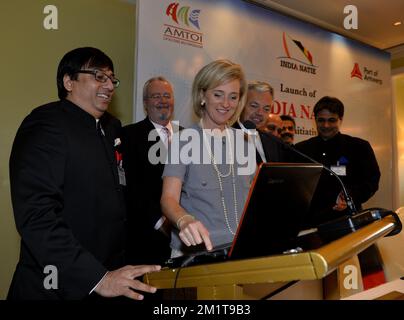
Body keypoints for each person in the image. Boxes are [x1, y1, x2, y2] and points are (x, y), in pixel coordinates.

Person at [8, 47, 160, 300]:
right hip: (56, 287)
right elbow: (37, 215)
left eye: (112, 78)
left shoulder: (112, 127)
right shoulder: (46, 124)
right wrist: (96, 278)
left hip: (109, 279)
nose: (109, 85)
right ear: (68, 81)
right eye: (98, 76)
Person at [160, 59, 256, 256]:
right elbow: (168, 199)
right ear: (203, 95)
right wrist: (184, 220)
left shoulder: (245, 142)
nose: (226, 104)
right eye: (218, 94)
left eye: (233, 97)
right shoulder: (183, 140)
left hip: (242, 250)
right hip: (198, 253)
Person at [122, 76, 181, 266]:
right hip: (148, 239)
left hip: (187, 236)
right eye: (156, 96)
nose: (163, 101)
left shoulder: (190, 136)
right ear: (145, 103)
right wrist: (160, 223)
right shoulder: (129, 135)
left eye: (167, 96)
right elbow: (131, 187)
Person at [295, 96, 381, 225]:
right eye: (321, 120)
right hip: (310, 224)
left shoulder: (359, 147)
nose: (326, 125)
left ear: (341, 119)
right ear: (315, 120)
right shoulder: (300, 149)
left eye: (332, 120)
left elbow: (372, 181)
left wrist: (349, 197)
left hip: (348, 221)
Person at [234, 81, 290, 163]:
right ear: (241, 105)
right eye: (254, 106)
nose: (260, 113)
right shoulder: (226, 135)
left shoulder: (273, 142)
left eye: (266, 109)